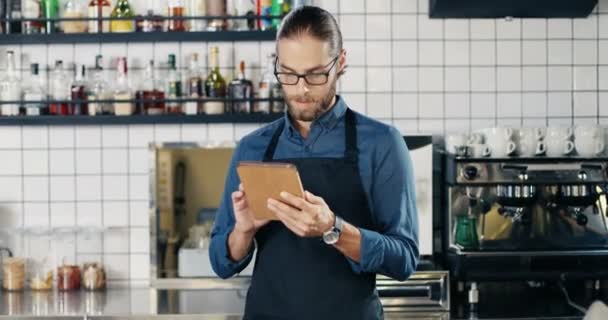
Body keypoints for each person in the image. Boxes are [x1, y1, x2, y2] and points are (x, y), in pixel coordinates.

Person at [209, 6, 419, 320]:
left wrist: (332, 228)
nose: (301, 88)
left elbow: (403, 260)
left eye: (316, 74)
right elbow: (220, 262)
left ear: (341, 63)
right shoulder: (252, 147)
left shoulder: (382, 143)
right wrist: (244, 231)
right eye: (289, 74)